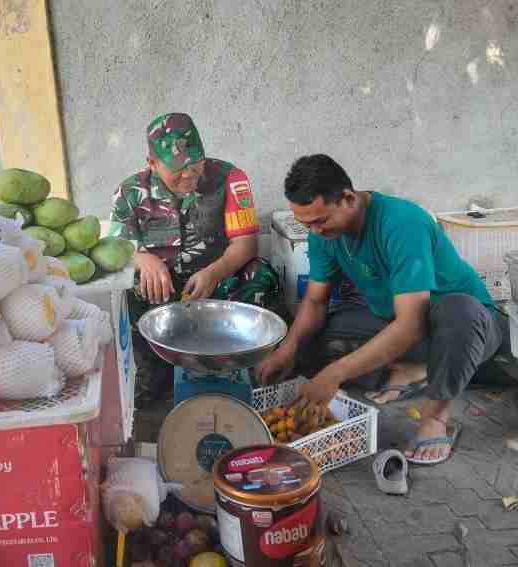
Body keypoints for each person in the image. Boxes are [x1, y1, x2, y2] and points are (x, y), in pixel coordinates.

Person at [257, 154, 511, 465]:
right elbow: (315, 301)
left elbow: (411, 324)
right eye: (306, 223)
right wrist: (287, 348)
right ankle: (417, 369)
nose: (315, 231)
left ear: (349, 198)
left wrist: (335, 374)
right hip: (402, 326)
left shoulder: (403, 223)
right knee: (317, 338)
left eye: (320, 221)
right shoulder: (323, 234)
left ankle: (436, 415)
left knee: (460, 311)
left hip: (466, 329)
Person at [108, 112, 261, 407]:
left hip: (216, 284)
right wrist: (142, 258)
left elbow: (246, 243)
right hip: (160, 292)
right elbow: (115, 249)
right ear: (152, 163)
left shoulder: (230, 178)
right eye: (178, 168)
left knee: (259, 276)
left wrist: (214, 272)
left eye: (196, 163)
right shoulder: (130, 192)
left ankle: (246, 370)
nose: (190, 174)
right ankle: (153, 372)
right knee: (128, 284)